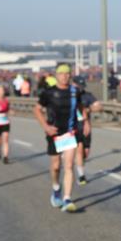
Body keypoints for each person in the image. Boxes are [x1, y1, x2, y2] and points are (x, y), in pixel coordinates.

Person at [35, 64, 85, 212]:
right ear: (56, 75)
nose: (65, 76)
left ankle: (67, 199)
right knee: (56, 167)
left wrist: (85, 121)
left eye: (68, 73)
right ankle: (56, 188)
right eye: (62, 74)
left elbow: (81, 108)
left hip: (70, 132)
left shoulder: (75, 91)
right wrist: (46, 127)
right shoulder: (48, 93)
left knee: (68, 166)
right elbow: (37, 109)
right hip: (54, 133)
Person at [74, 76, 98, 185]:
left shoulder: (87, 96)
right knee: (79, 149)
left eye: (82, 86)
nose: (80, 88)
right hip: (74, 127)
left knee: (85, 152)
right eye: (78, 85)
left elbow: (98, 106)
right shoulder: (68, 95)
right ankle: (81, 176)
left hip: (85, 126)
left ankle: (80, 165)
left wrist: (89, 109)